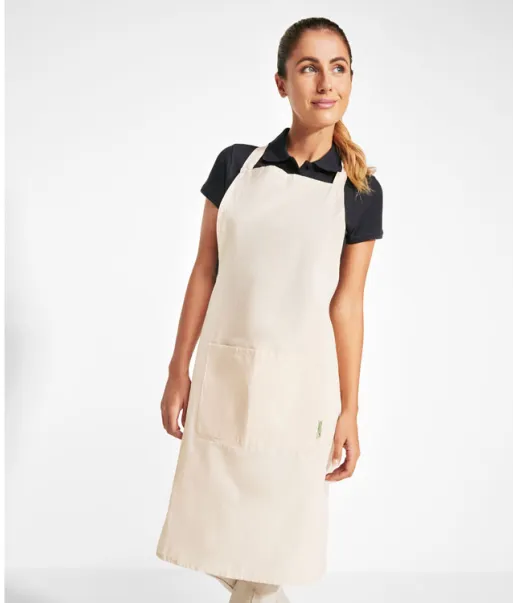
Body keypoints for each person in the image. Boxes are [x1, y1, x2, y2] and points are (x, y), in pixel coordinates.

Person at [156, 16, 383, 602]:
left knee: (275, 540)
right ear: (282, 83)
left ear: (351, 80)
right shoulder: (235, 165)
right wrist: (178, 368)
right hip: (226, 374)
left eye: (338, 68)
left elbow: (348, 305)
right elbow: (205, 269)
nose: (325, 83)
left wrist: (350, 409)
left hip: (302, 390)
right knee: (210, 526)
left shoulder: (359, 192)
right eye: (309, 68)